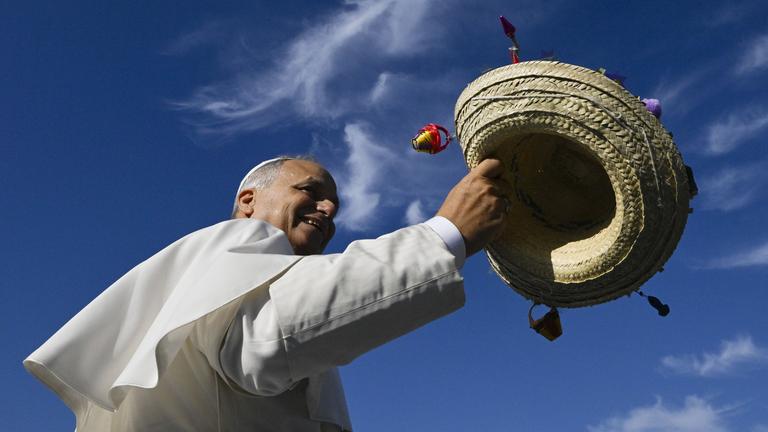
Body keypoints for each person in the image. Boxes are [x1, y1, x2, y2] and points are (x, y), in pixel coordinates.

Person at [24, 156, 508, 431]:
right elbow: (261, 345)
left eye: (334, 204)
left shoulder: (216, 279)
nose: (328, 208)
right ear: (248, 201)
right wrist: (446, 234)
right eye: (310, 190)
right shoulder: (242, 239)